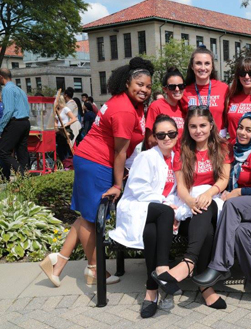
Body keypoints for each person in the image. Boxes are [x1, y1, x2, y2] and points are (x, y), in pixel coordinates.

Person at [39, 57, 154, 287]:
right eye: (140, 84)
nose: (144, 90)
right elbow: (120, 152)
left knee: (88, 216)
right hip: (97, 163)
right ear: (128, 82)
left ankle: (58, 263)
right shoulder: (124, 110)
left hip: (90, 159)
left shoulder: (124, 102)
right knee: (93, 218)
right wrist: (118, 183)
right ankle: (95, 269)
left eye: (149, 86)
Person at [192, 112, 251, 308]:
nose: (243, 132)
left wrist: (239, 191)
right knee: (240, 233)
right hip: (249, 209)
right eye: (241, 127)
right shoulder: (236, 151)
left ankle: (219, 265)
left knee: (231, 204)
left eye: (249, 130)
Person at [151, 106, 231, 309]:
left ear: (211, 125)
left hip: (213, 200)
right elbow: (182, 187)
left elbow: (223, 179)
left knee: (207, 206)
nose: (198, 130)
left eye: (203, 125)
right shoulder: (182, 149)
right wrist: (190, 201)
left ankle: (187, 264)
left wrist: (208, 194)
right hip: (189, 206)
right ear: (187, 127)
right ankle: (205, 287)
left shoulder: (221, 147)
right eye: (193, 126)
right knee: (208, 233)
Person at [109, 115, 180, 318]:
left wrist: (174, 207)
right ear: (155, 137)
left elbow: (176, 191)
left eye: (171, 133)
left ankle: (151, 291)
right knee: (164, 211)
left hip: (156, 217)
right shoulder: (146, 157)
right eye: (161, 134)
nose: (167, 138)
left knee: (151, 232)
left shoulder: (178, 158)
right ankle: (163, 270)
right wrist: (166, 204)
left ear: (177, 134)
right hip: (139, 207)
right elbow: (138, 188)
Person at [180, 48, 229, 136]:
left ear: (212, 66)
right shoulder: (184, 91)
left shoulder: (224, 88)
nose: (203, 68)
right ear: (192, 66)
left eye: (207, 63)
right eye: (198, 63)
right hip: (194, 144)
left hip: (219, 143)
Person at [0, 68, 30, 181]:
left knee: (3, 151)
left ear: (1, 77)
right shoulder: (20, 90)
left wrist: (1, 128)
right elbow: (27, 108)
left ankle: (21, 173)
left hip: (15, 122)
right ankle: (25, 179)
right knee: (21, 151)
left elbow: (8, 111)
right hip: (25, 122)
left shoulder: (7, 89)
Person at [145, 67, 185, 149]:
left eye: (181, 86)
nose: (177, 89)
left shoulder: (184, 107)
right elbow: (150, 140)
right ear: (165, 89)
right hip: (163, 157)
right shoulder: (156, 106)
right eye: (172, 87)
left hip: (181, 158)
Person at [54, 95, 79, 161]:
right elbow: (56, 121)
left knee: (65, 147)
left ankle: (68, 163)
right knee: (60, 148)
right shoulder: (56, 110)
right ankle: (64, 162)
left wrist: (65, 124)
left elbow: (74, 118)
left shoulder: (65, 109)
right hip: (59, 131)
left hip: (65, 130)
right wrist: (55, 127)